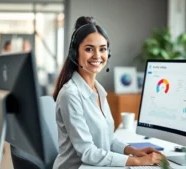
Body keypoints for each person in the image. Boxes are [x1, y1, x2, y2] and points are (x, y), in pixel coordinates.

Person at [52, 16, 166, 169]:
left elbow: (108, 139)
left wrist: (134, 152)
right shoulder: (70, 95)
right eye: (89, 49)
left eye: (102, 49)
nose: (97, 56)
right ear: (75, 54)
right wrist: (138, 162)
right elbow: (87, 152)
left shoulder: (99, 91)